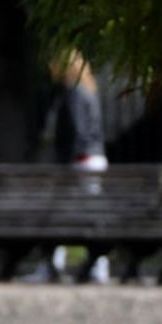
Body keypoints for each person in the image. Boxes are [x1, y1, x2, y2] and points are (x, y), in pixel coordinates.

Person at [35, 51, 110, 283]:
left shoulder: (73, 92)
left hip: (79, 161)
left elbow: (76, 132)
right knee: (88, 214)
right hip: (91, 158)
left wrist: (65, 165)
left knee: (57, 213)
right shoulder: (87, 90)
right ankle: (96, 265)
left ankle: (54, 264)